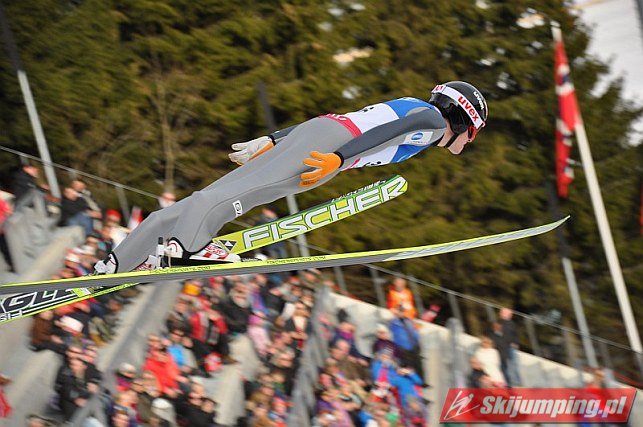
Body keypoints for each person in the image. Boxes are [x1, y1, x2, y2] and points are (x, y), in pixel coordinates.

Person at [95, 81, 488, 274]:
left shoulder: (416, 105)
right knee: (247, 193)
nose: (468, 142)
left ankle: (121, 260)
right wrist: (339, 159)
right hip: (331, 145)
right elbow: (387, 132)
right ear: (463, 120)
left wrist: (274, 138)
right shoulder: (432, 123)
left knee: (222, 191)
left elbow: (353, 120)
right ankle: (187, 246)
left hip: (321, 130)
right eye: (472, 134)